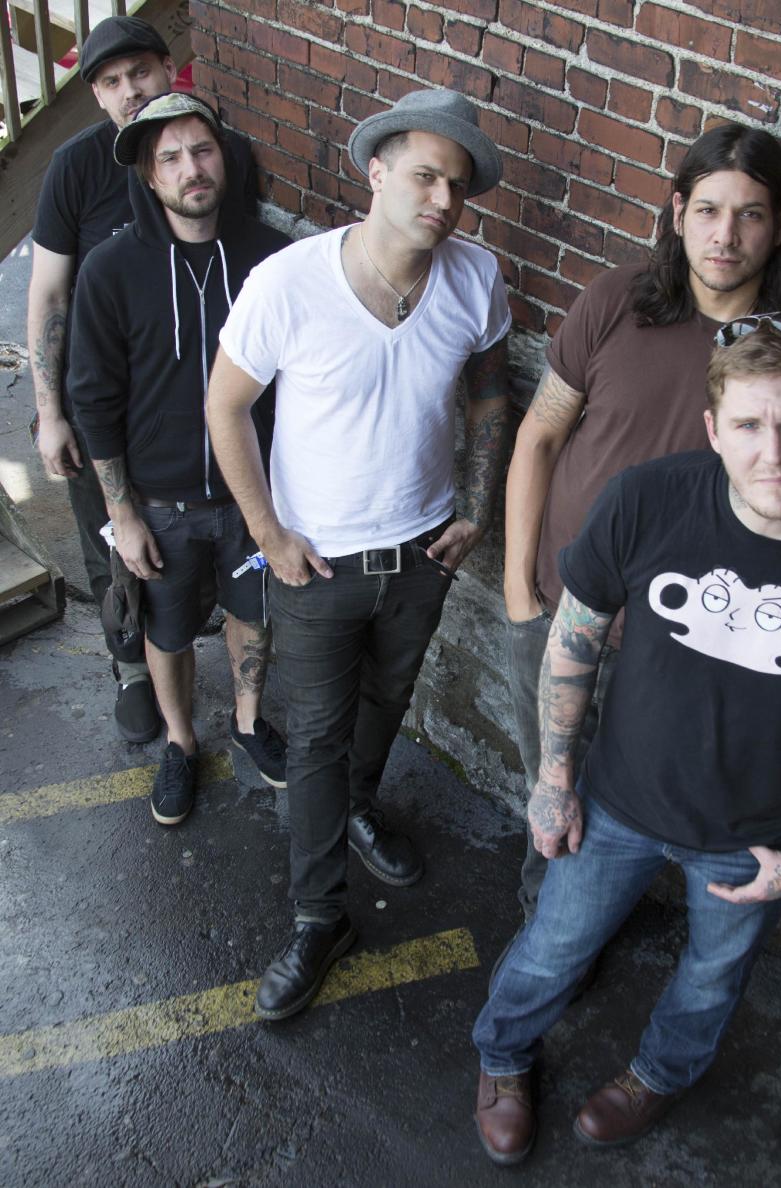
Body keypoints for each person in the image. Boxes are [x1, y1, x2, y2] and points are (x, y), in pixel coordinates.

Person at [471, 318, 781, 1165]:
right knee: (551, 948)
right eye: (748, 425)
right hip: (618, 800)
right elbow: (573, 640)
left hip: (757, 836)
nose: (774, 452)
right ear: (713, 431)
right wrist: (554, 775)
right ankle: (503, 1058)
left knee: (711, 978)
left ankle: (656, 1075)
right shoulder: (648, 499)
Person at [501, 122, 781, 934]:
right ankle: (541, 927)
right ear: (676, 213)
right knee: (551, 791)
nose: (724, 236)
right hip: (563, 616)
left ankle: (586, 922)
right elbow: (540, 435)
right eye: (706, 210)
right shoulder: (616, 301)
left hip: (688, 652)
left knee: (625, 814)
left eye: (750, 215)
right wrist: (521, 591)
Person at [206, 88, 512, 1020]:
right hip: (318, 566)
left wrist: (479, 508)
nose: (443, 201)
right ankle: (317, 918)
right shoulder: (291, 282)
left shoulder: (475, 276)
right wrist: (268, 535)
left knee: (387, 707)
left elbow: (492, 395)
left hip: (421, 555)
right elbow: (226, 407)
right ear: (376, 173)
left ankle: (364, 804)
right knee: (314, 744)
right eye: (425, 176)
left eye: (457, 187)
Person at [27, 15, 256, 744]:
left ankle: (229, 704)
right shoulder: (76, 167)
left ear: (169, 68)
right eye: (114, 82)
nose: (132, 91)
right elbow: (51, 293)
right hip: (109, 400)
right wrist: (49, 410)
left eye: (142, 74)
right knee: (118, 548)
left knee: (206, 574)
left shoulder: (219, 156)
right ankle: (131, 668)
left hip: (199, 402)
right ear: (96, 93)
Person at [68, 93, 291, 826]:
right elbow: (92, 399)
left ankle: (251, 725)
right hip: (161, 505)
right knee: (165, 629)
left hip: (252, 499)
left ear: (223, 156)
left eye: (202, 150)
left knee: (252, 613)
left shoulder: (270, 259)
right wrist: (122, 513)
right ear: (147, 172)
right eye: (170, 157)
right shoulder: (110, 269)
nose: (191, 169)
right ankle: (180, 740)